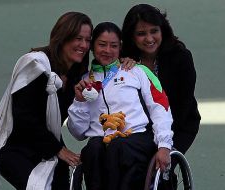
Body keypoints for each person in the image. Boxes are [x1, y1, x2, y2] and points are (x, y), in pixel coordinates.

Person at [0, 12, 93, 190]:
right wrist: (59, 150)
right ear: (63, 36)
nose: (84, 45)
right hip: (15, 147)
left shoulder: (77, 72)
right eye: (78, 38)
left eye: (87, 40)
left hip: (46, 145)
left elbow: (110, 56)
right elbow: (24, 118)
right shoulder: (35, 65)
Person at [67, 22, 173, 190]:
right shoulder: (85, 81)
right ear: (93, 46)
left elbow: (160, 108)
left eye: (113, 45)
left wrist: (164, 145)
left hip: (136, 138)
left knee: (118, 148)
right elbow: (78, 133)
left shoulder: (138, 71)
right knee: (92, 150)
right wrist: (79, 101)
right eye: (102, 44)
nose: (107, 50)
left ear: (120, 47)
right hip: (101, 141)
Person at [121, 4, 201, 155]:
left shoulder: (181, 57)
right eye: (141, 33)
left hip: (179, 124)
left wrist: (164, 140)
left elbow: (184, 103)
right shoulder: (124, 60)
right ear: (131, 36)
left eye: (154, 31)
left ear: (162, 30)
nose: (149, 39)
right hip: (138, 129)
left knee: (161, 165)